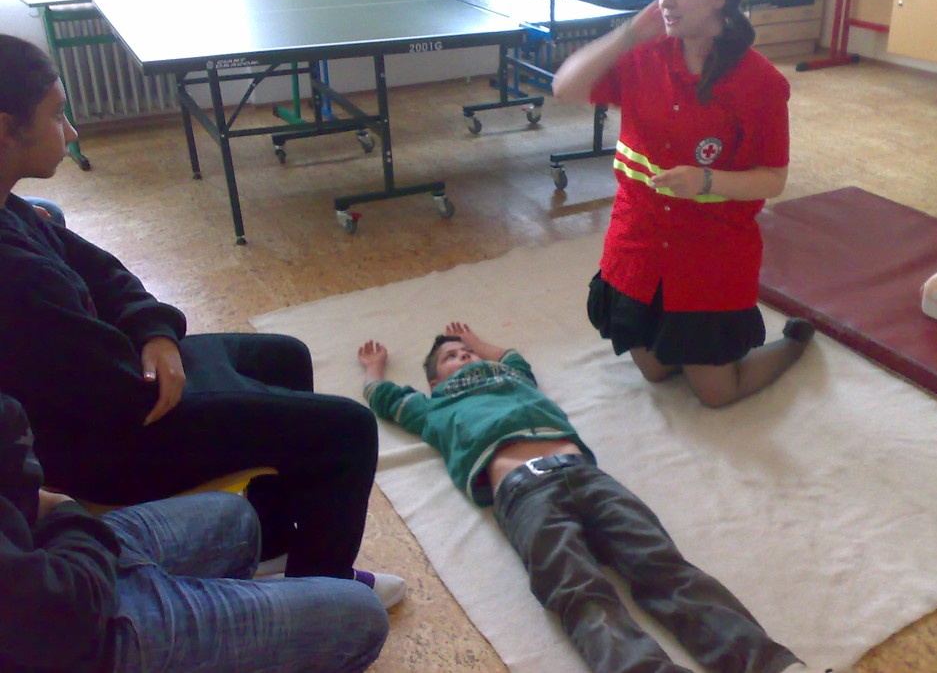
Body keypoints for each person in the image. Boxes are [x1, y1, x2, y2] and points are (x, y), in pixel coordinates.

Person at [0, 33, 403, 602]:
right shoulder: (15, 274)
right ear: (5, 128)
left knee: (284, 356)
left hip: (117, 385)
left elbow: (104, 270)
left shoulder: (12, 206)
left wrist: (154, 331)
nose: (71, 132)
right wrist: (154, 350)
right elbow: (120, 396)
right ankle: (325, 593)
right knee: (348, 430)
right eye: (56, 115)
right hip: (108, 443)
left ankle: (271, 548)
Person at [358, 323, 840, 673]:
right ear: (435, 381)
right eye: (451, 357)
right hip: (524, 492)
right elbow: (386, 398)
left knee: (661, 565)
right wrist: (374, 370)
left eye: (467, 352)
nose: (463, 357)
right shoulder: (437, 406)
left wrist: (479, 344)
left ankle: (768, 665)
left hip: (588, 476)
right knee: (577, 591)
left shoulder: (513, 377)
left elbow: (514, 358)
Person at [551, 0, 815, 408]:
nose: (667, 1)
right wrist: (628, 33)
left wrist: (707, 181)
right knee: (656, 370)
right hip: (639, 241)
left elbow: (773, 178)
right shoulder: (644, 56)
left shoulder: (760, 83)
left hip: (708, 252)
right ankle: (682, 343)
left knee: (716, 394)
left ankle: (794, 344)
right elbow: (564, 86)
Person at [0, 391, 389, 673]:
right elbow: (60, 613)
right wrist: (66, 513)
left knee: (236, 518)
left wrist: (153, 329)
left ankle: (240, 611)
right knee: (361, 615)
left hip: (45, 556)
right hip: (79, 638)